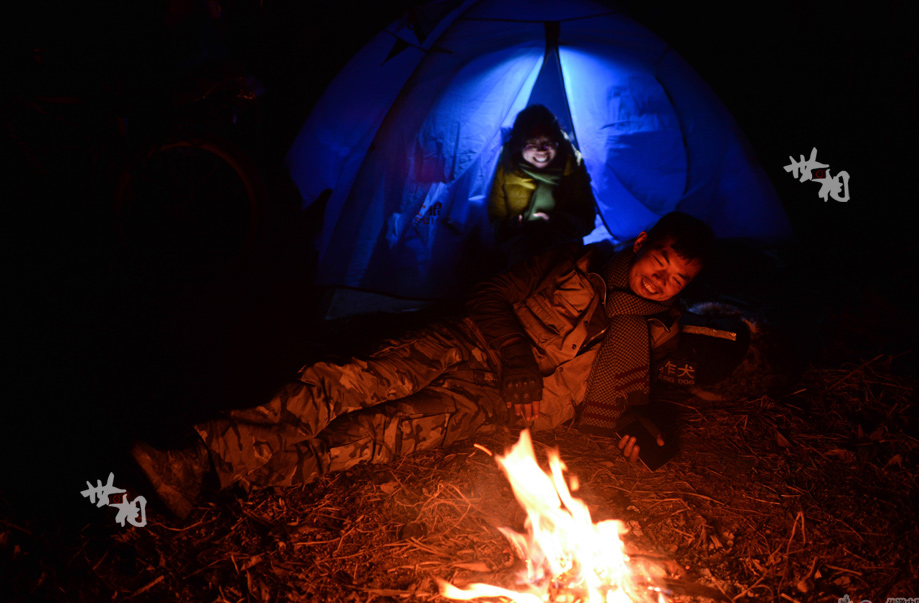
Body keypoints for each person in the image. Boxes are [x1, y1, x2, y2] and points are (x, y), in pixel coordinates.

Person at [131, 212, 714, 517]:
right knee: (354, 384)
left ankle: (211, 480)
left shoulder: (657, 331)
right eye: (659, 265)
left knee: (375, 436)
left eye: (677, 282)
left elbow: (631, 399)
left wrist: (642, 431)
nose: (661, 284)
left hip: (495, 408)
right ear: (641, 243)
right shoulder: (572, 262)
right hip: (469, 346)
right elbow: (487, 296)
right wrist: (515, 354)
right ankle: (198, 453)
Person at [488, 104, 597, 266]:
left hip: (564, 249)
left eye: (547, 144)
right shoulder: (505, 167)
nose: (540, 151)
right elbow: (492, 224)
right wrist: (513, 226)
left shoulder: (571, 164)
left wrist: (558, 221)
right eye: (531, 145)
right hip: (518, 252)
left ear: (557, 142)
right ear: (519, 144)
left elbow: (587, 220)